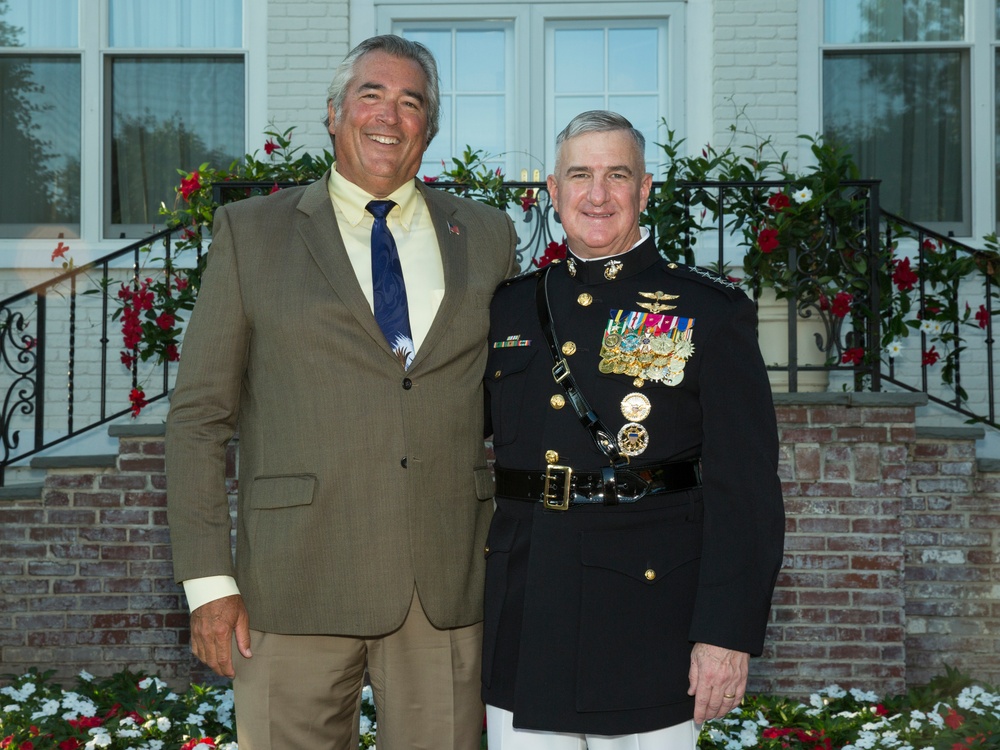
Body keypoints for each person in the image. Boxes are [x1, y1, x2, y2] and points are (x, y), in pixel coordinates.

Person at [166, 34, 517, 750]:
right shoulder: (251, 233)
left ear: (431, 127)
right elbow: (200, 419)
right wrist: (209, 584)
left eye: (411, 101)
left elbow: (510, 397)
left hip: (443, 584)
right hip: (292, 581)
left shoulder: (486, 236)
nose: (390, 115)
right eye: (371, 94)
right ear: (333, 113)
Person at [481, 110, 785, 749]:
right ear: (553, 193)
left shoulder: (708, 311)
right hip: (527, 611)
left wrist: (725, 634)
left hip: (649, 622)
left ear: (644, 190)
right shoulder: (510, 306)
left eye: (617, 175)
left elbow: (746, 489)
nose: (597, 195)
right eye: (580, 175)